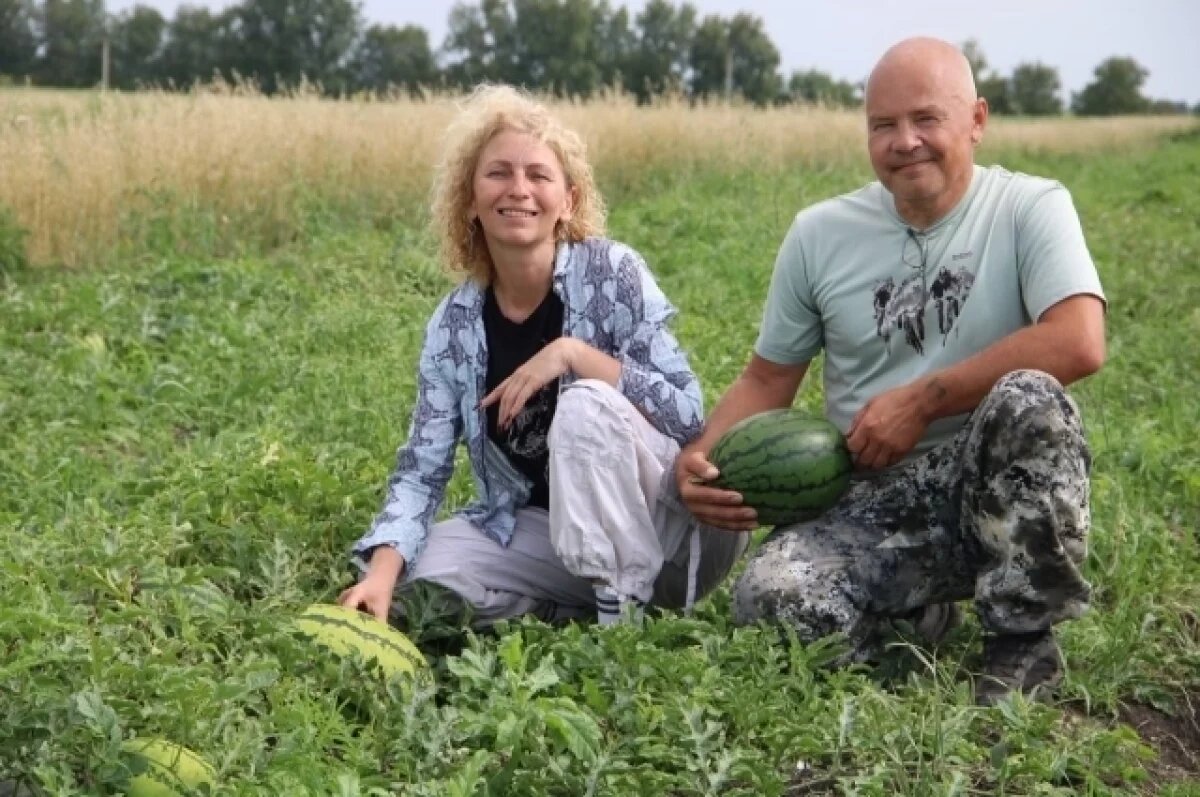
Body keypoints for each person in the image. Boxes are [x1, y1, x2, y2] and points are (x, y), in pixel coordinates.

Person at [675, 37, 1107, 705]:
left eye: (926, 119)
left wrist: (926, 399)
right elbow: (767, 378)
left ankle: (1022, 640)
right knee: (769, 600)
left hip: (991, 480)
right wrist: (698, 461)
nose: (905, 141)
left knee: (1031, 400)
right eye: (884, 125)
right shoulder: (818, 234)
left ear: (977, 120)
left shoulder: (1030, 208)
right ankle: (918, 615)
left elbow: (1079, 340)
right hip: (870, 497)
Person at [340, 85, 747, 630]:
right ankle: (572, 606)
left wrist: (573, 354)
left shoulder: (613, 272)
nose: (519, 190)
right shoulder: (454, 325)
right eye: (498, 173)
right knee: (428, 577)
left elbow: (686, 413)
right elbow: (421, 469)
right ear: (469, 199)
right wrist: (382, 574)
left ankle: (621, 624)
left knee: (584, 406)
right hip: (553, 535)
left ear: (568, 201)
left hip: (673, 531)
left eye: (538, 174)